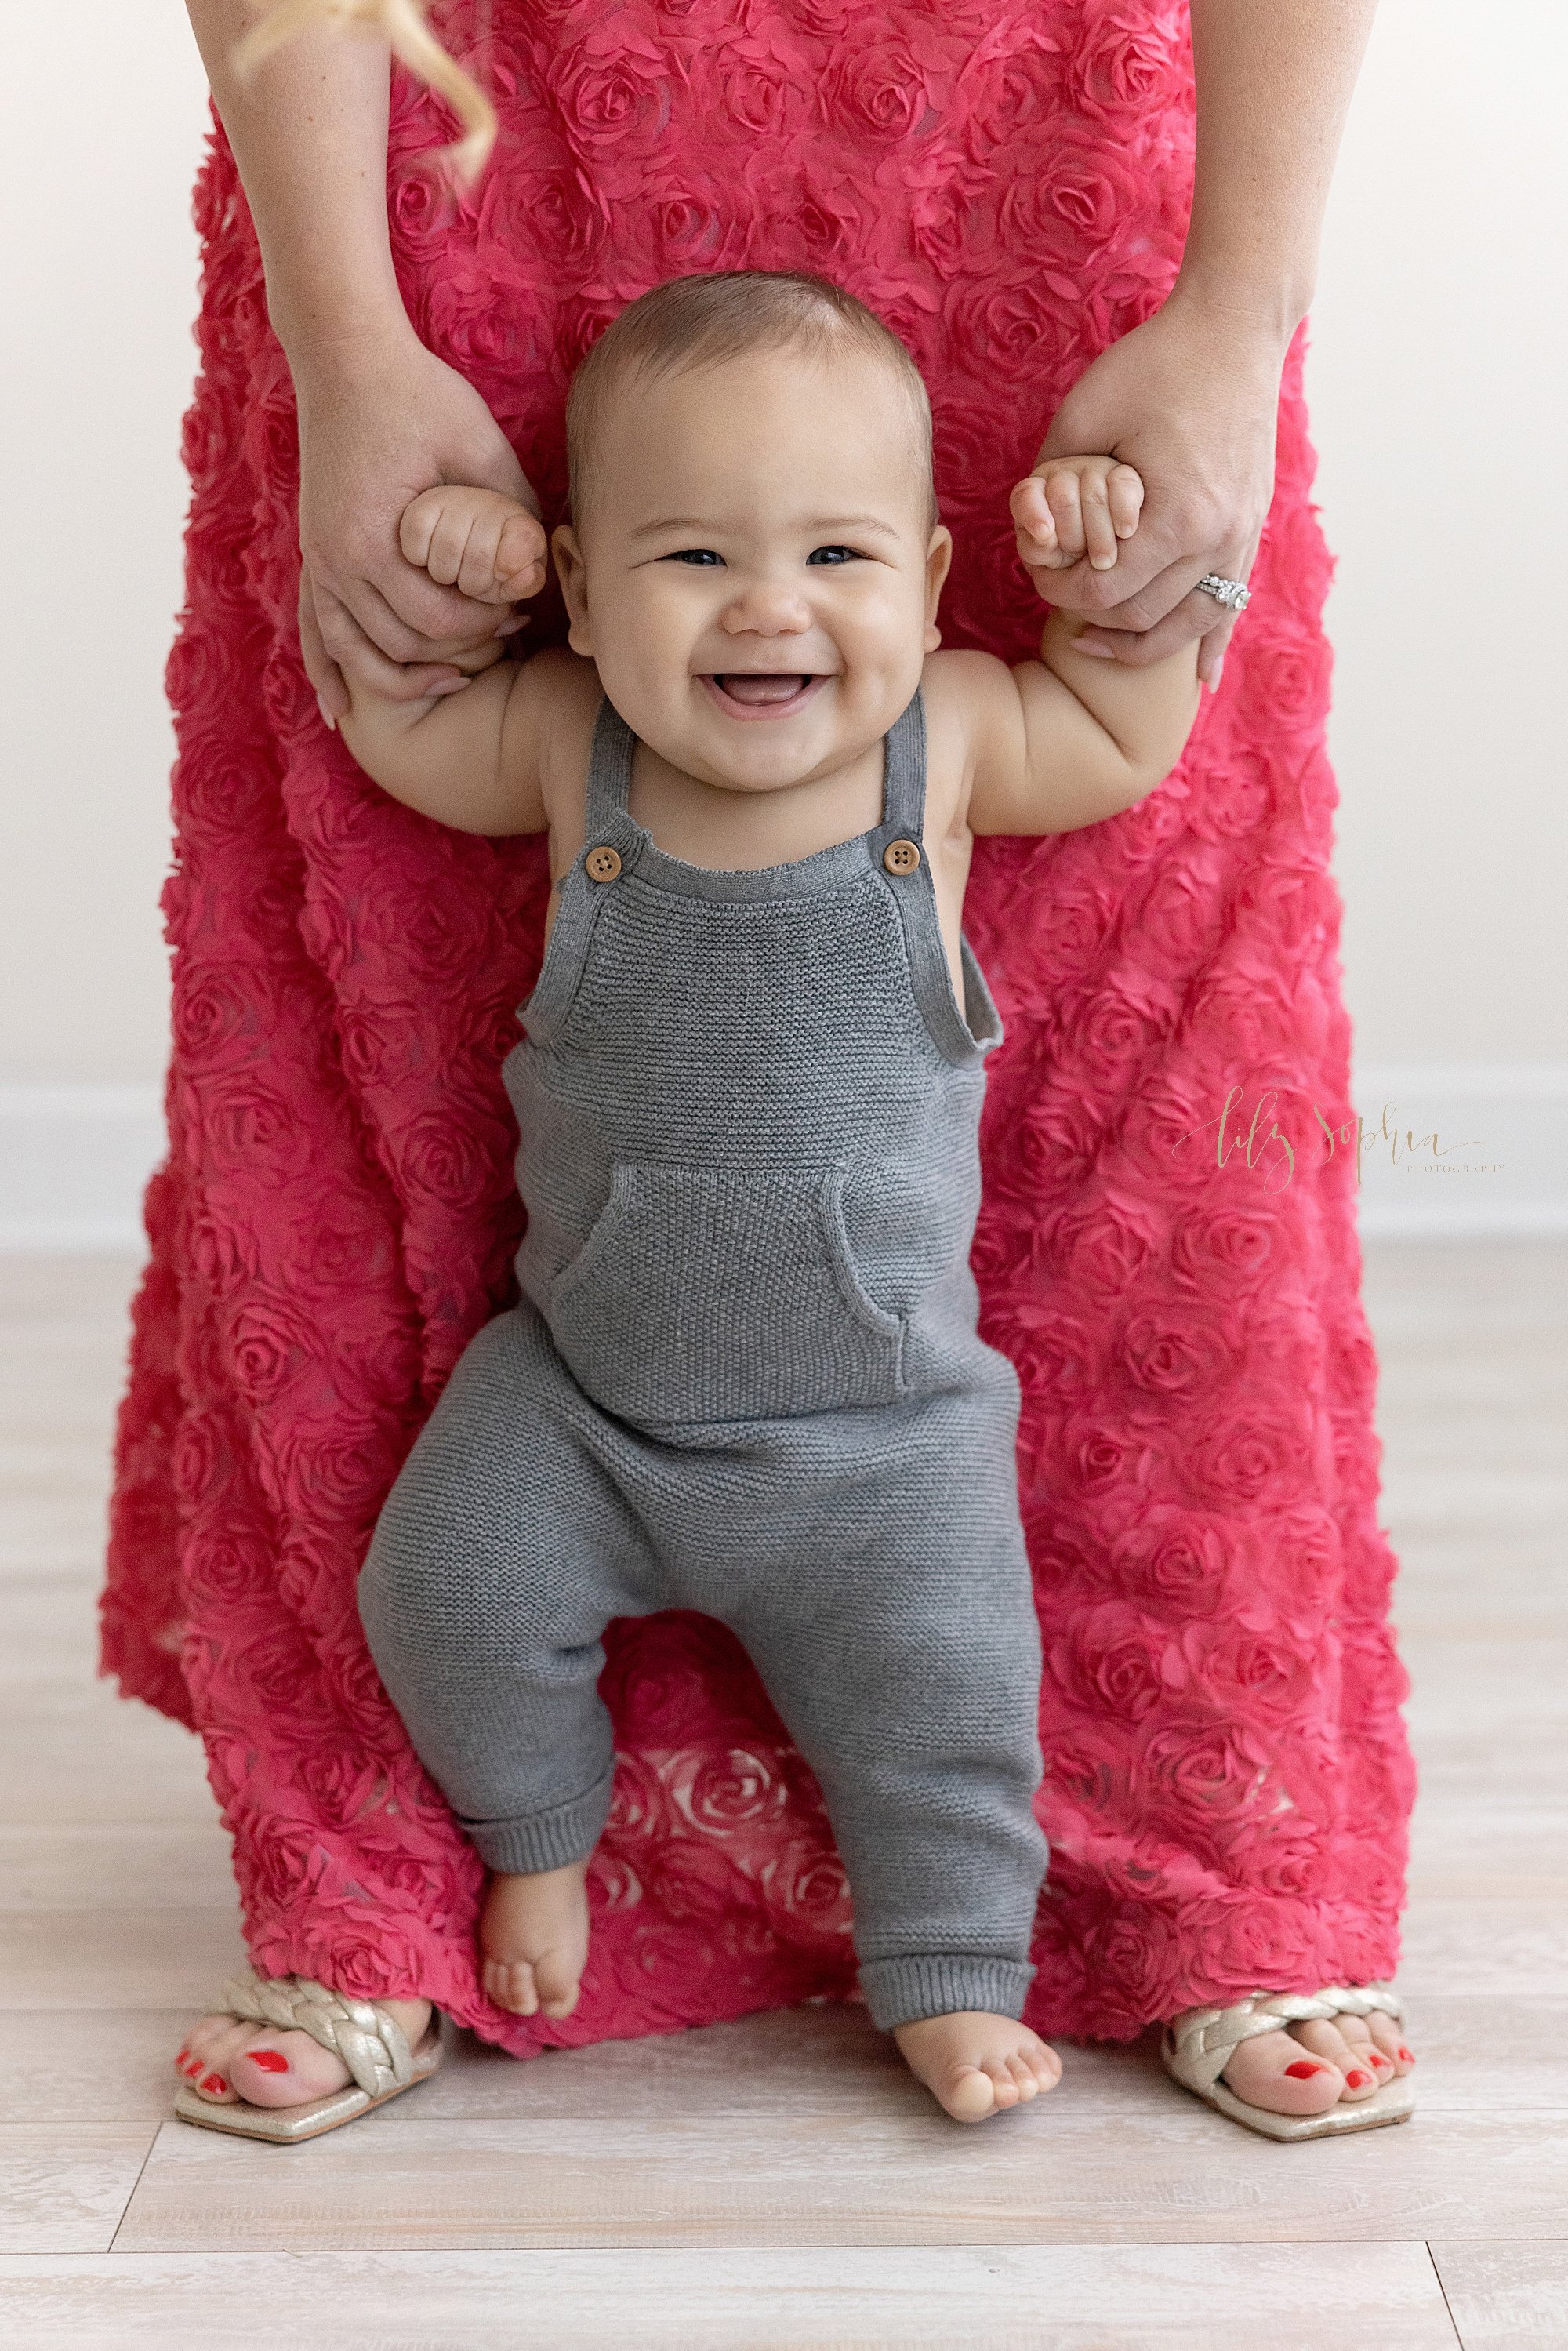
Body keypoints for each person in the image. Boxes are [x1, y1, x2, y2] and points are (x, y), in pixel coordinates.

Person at [119, 0, 1416, 2142]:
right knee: (448, 1581)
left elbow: (1126, 737)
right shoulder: (570, 744)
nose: (762, 612)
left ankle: (954, 1970)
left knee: (947, 1698)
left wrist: (1133, 565)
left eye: (829, 563)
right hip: (584, 1398)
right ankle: (513, 1847)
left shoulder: (959, 737)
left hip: (889, 1432)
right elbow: (390, 737)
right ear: (587, 590)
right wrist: (430, 508)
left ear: (921, 583)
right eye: (694, 562)